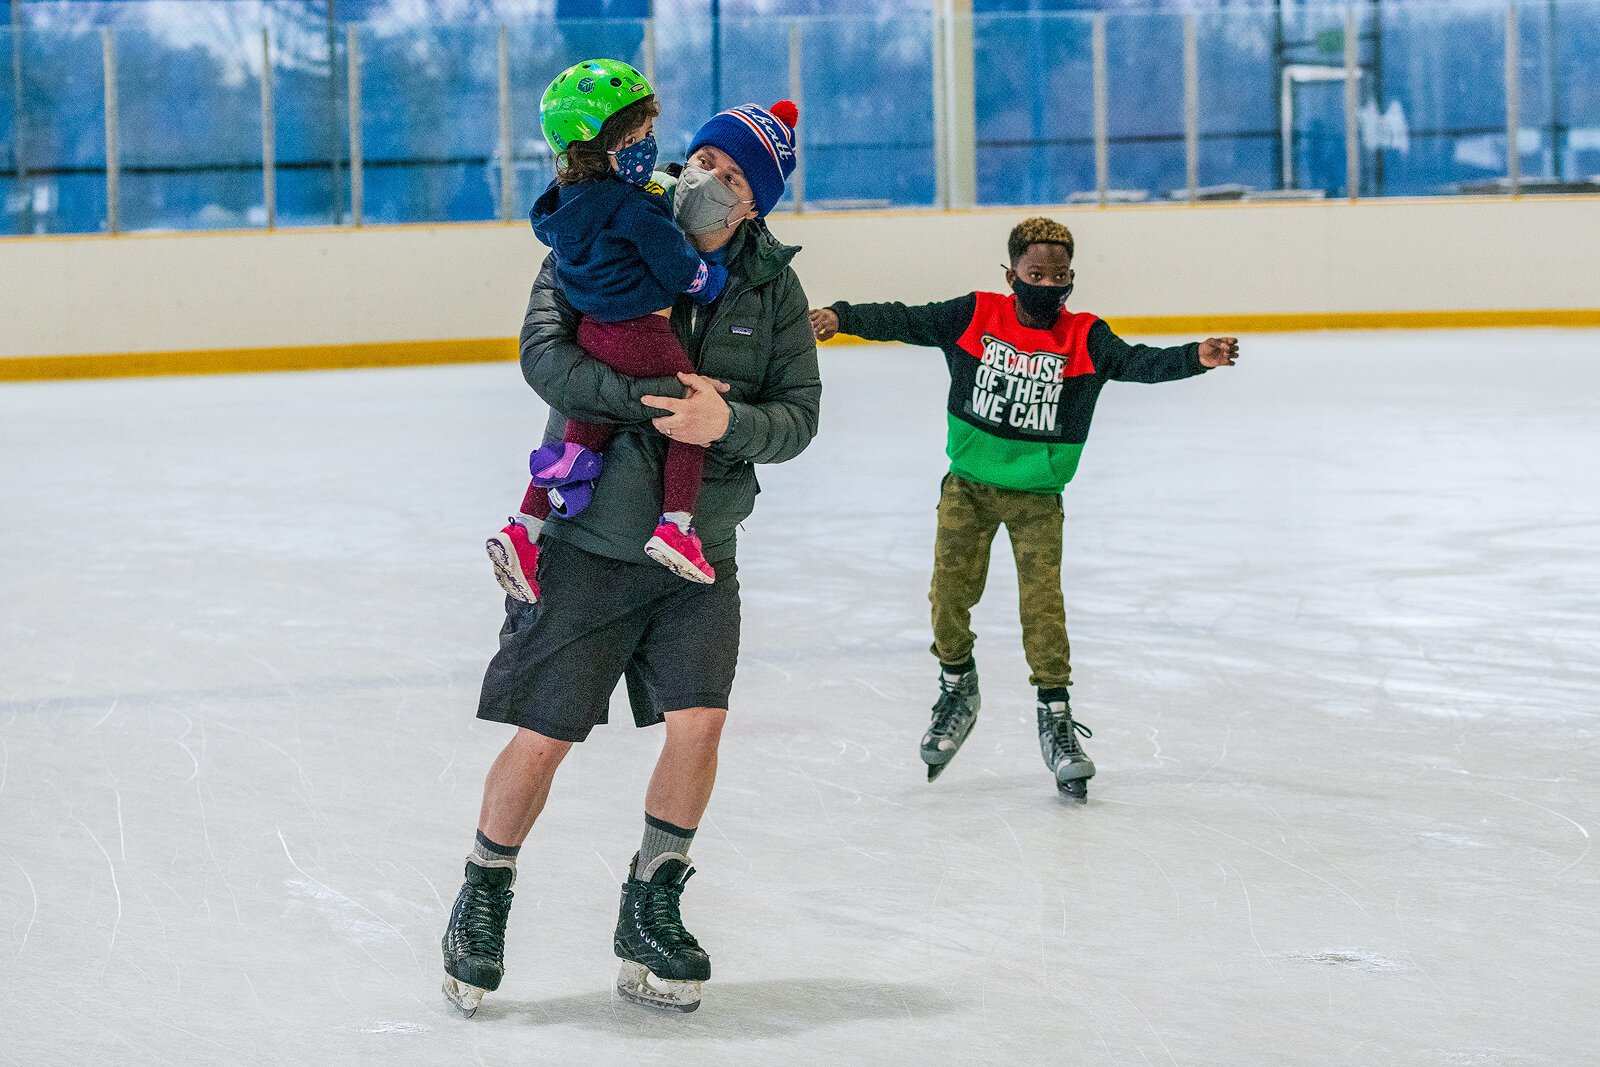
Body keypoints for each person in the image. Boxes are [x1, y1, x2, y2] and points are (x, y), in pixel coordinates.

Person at [441, 99, 817, 1017]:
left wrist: (727, 424)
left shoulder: (771, 287)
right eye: (701, 159)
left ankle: (651, 903)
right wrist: (651, 399)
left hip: (698, 552)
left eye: (730, 176)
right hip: (590, 539)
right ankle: (482, 893)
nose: (704, 178)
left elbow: (799, 417)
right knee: (546, 731)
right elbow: (544, 357)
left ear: (755, 205)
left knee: (700, 724)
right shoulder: (605, 221)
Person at [808, 216, 1239, 801]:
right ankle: (958, 685)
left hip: (1038, 496)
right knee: (948, 595)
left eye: (1059, 275)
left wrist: (1197, 356)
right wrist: (843, 315)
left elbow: (1139, 363)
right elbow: (903, 318)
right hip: (968, 488)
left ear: (1071, 279)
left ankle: (1056, 716)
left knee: (1042, 605)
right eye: (1035, 273)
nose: (1047, 283)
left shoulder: (1084, 336)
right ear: (1011, 274)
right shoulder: (975, 315)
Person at [485, 59, 743, 596]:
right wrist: (710, 277)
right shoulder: (635, 210)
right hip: (644, 334)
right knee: (689, 416)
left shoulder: (564, 206)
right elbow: (680, 269)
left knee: (584, 429)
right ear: (606, 145)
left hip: (594, 335)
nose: (651, 144)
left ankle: (525, 529)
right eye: (642, 135)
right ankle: (676, 527)